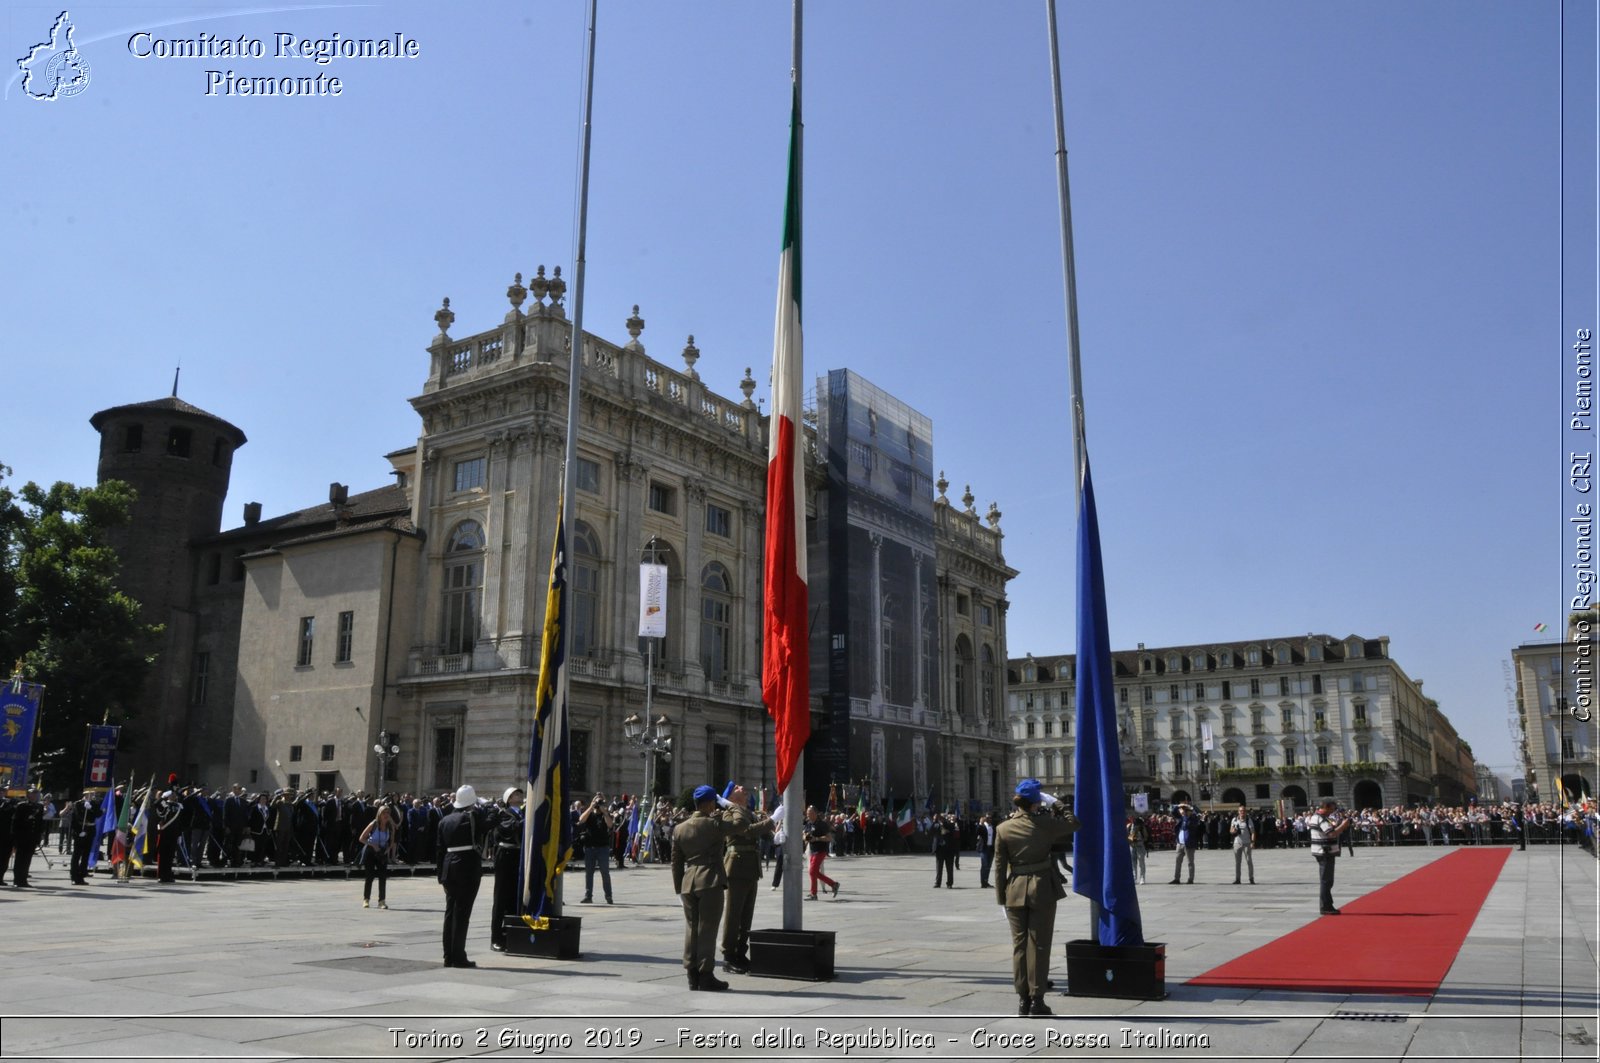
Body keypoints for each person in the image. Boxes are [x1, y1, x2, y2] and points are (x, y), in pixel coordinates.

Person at [994, 778, 1080, 1017]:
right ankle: (1037, 1001)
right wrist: (1056, 803)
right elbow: (1074, 823)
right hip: (1041, 888)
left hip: (1014, 890)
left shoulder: (1003, 828)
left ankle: (1022, 1001)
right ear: (1035, 803)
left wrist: (1001, 898)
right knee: (1039, 945)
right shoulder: (1044, 823)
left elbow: (1000, 867)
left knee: (1019, 947)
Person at [672, 784, 737, 991]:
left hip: (688, 883)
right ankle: (706, 975)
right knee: (707, 929)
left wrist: (679, 888)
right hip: (710, 880)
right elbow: (742, 822)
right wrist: (729, 806)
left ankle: (692, 974)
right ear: (710, 804)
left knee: (692, 929)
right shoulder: (714, 825)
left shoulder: (679, 828)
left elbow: (676, 862)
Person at [716, 782, 773, 975]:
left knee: (746, 916)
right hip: (736, 867)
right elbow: (746, 831)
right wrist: (772, 820)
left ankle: (741, 952)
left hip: (749, 867)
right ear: (731, 797)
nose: (742, 787)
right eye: (737, 787)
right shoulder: (729, 813)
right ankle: (728, 956)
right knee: (733, 915)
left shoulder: (747, 812)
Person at [436, 784, 489, 968]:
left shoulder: (445, 820)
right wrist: (487, 804)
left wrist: (440, 876)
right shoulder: (472, 817)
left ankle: (448, 955)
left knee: (450, 912)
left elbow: (440, 851)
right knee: (462, 913)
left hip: (449, 867)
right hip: (467, 867)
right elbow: (491, 821)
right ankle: (458, 956)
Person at [489, 787, 525, 952]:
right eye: (515, 794)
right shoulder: (504, 814)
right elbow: (511, 829)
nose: (519, 795)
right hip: (505, 855)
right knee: (501, 898)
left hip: (518, 855)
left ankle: (510, 933)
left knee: (514, 898)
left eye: (519, 793)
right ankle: (496, 937)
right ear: (508, 799)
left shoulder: (522, 813)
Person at [1306, 797, 1351, 915]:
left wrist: (1339, 825)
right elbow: (1331, 834)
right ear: (1325, 807)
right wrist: (1343, 826)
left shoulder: (1319, 817)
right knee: (1326, 880)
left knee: (1326, 879)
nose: (1333, 810)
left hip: (1323, 851)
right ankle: (1325, 906)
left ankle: (1327, 904)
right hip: (1324, 851)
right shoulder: (1320, 818)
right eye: (1332, 808)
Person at [576, 792, 614, 904]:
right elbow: (581, 820)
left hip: (603, 847)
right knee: (589, 873)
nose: (598, 803)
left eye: (600, 801)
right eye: (597, 801)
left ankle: (608, 895)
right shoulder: (590, 814)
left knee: (605, 872)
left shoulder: (606, 813)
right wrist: (591, 807)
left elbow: (610, 825)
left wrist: (605, 812)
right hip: (590, 847)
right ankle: (588, 896)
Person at [357, 804, 398, 909]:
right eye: (384, 813)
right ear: (379, 814)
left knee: (383, 877)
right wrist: (373, 845)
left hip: (382, 853)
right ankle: (366, 899)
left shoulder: (390, 826)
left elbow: (392, 841)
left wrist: (387, 850)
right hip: (371, 851)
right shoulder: (374, 824)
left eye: (388, 813)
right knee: (369, 876)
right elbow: (361, 838)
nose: (386, 815)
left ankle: (382, 901)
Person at [10, 790, 46, 888]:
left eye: (35, 794)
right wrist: (15, 838)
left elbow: (39, 823)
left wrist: (39, 836)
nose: (34, 796)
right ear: (28, 795)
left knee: (27, 859)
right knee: (19, 859)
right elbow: (15, 822)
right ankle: (17, 880)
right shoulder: (21, 806)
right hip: (22, 837)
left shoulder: (39, 806)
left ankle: (24, 879)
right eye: (32, 794)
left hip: (32, 837)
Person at [803, 805, 839, 900]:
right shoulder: (809, 823)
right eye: (807, 813)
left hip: (821, 850)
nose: (807, 814)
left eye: (809, 813)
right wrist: (805, 837)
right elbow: (804, 834)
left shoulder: (822, 824)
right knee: (812, 872)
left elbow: (829, 838)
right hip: (812, 850)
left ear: (815, 814)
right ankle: (817, 892)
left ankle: (830, 885)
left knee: (812, 871)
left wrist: (816, 838)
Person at [1169, 803, 1201, 884]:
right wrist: (1179, 805)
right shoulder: (1181, 818)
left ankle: (1190, 879)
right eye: (1182, 810)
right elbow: (1173, 812)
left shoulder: (1193, 818)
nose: (1181, 811)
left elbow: (1198, 813)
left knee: (1190, 862)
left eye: (1183, 810)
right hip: (1180, 844)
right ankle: (1176, 878)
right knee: (1178, 862)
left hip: (1189, 844)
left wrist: (1190, 809)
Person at [1230, 805, 1256, 885]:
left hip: (1247, 843)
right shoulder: (1234, 820)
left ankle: (1251, 878)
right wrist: (1233, 831)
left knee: (1249, 861)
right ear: (1238, 812)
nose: (1242, 812)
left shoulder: (1248, 820)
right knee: (1237, 862)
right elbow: (1231, 830)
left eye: (1243, 811)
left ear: (1245, 812)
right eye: (1240, 811)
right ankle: (1237, 879)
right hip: (1237, 843)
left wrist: (1252, 842)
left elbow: (1253, 832)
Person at [932, 813, 958, 888]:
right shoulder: (936, 825)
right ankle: (938, 883)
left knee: (949, 868)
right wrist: (934, 820)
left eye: (943, 817)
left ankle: (949, 883)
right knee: (939, 868)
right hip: (939, 849)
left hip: (949, 849)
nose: (941, 818)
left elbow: (951, 828)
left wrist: (944, 822)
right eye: (940, 817)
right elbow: (931, 831)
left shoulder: (950, 824)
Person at [1126, 814, 1150, 886]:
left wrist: (1138, 838)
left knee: (1141, 862)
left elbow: (1146, 837)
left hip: (1140, 846)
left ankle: (1142, 878)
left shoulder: (1142, 827)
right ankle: (1134, 877)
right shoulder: (1129, 826)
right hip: (1132, 846)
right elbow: (1126, 836)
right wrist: (1131, 838)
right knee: (1133, 863)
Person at [978, 813, 997, 889]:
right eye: (988, 818)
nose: (990, 819)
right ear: (985, 818)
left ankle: (986, 881)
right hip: (984, 848)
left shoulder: (993, 827)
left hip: (991, 848)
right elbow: (977, 831)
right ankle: (983, 882)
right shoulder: (982, 826)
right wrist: (980, 823)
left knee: (988, 866)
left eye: (990, 818)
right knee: (984, 865)